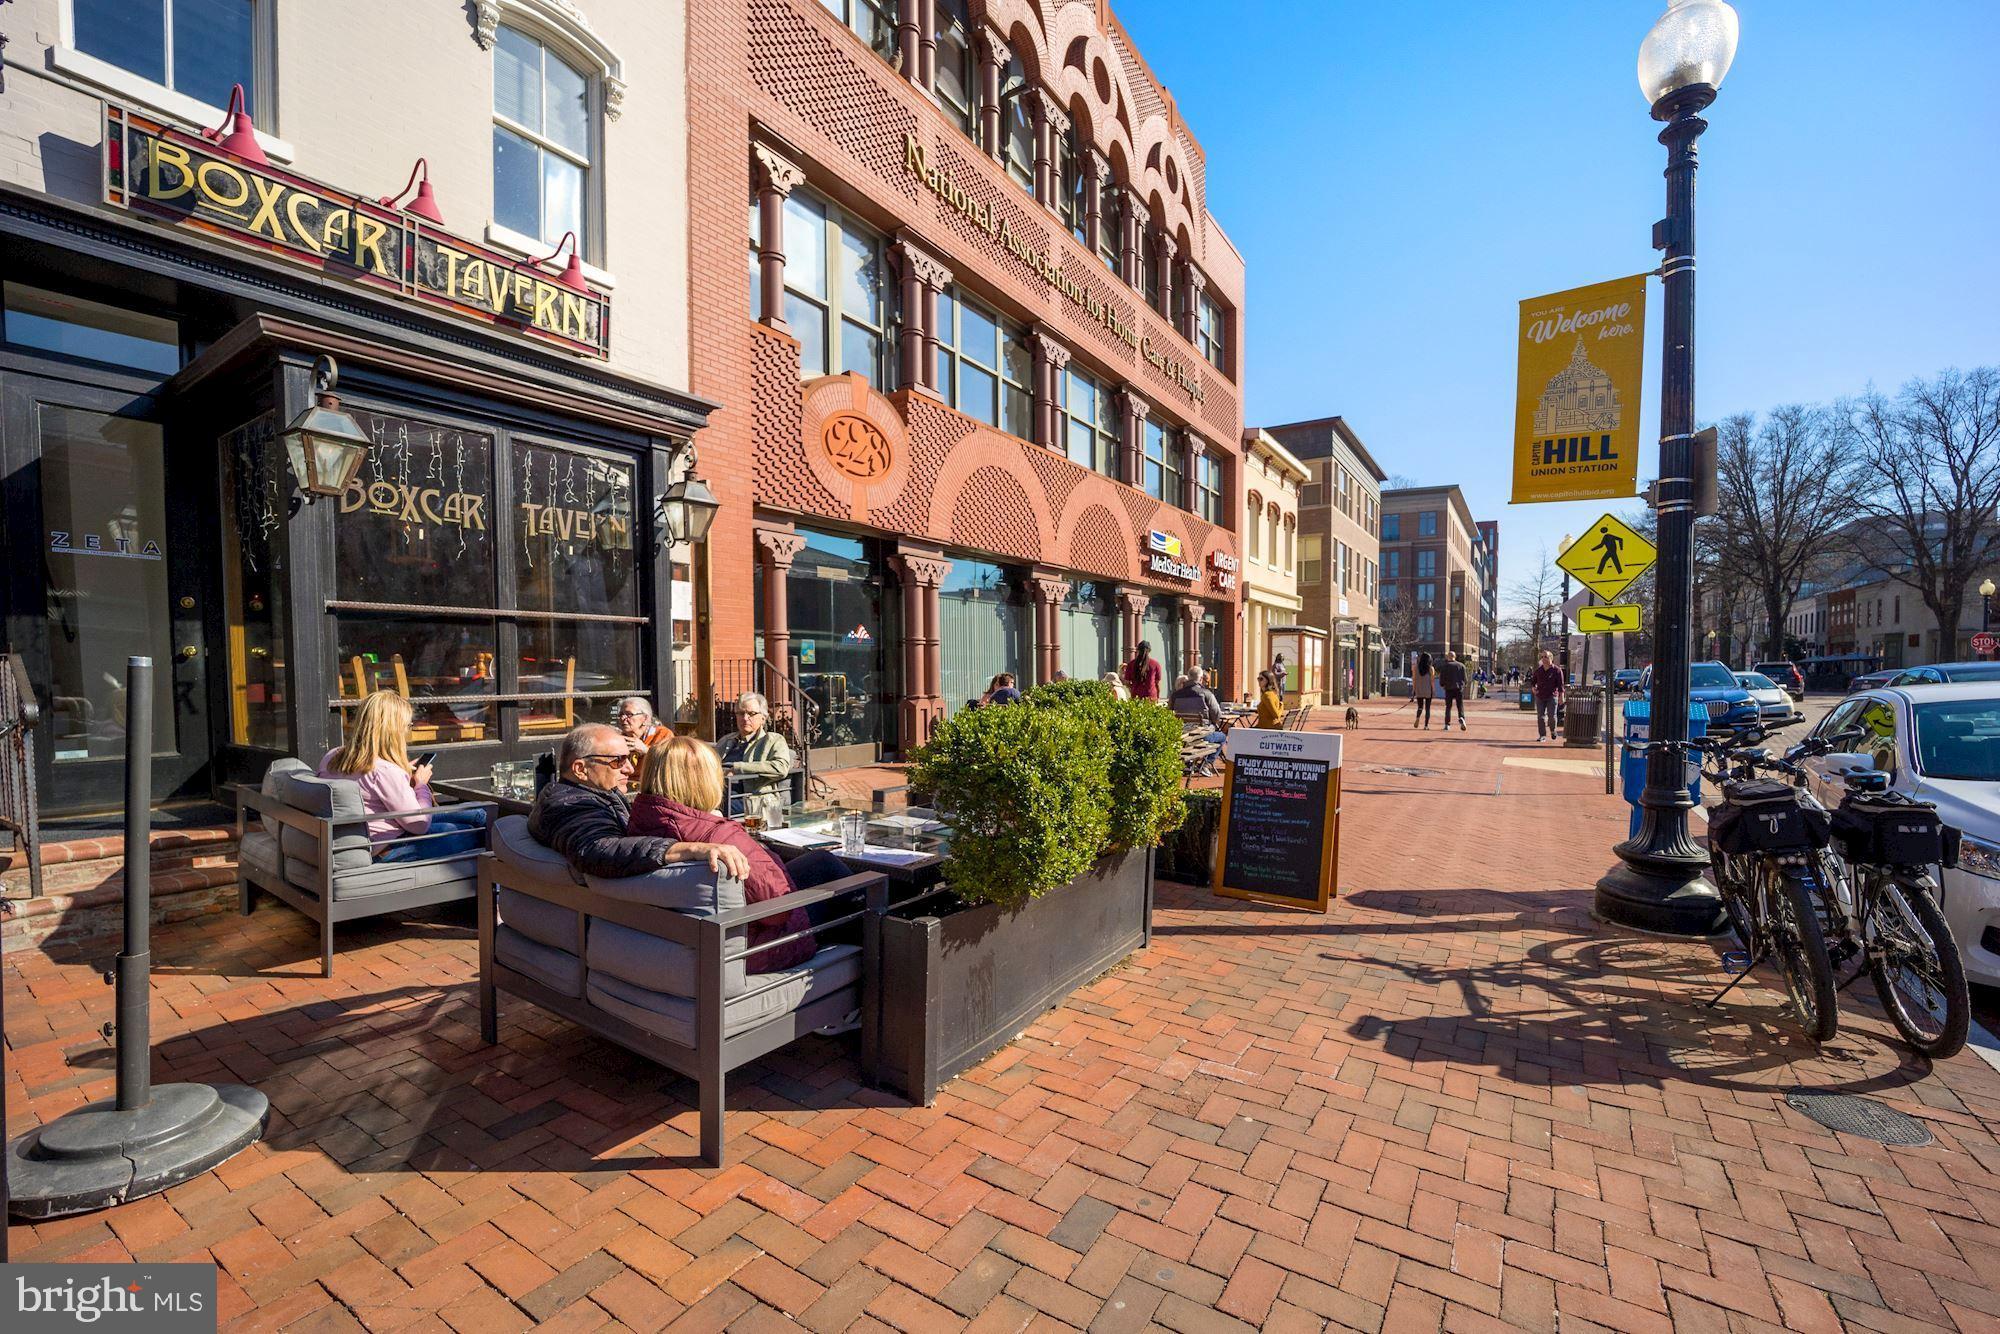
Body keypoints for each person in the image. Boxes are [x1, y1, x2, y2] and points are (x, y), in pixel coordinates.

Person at [629, 737, 839, 972]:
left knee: (819, 862)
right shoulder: (720, 837)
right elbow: (779, 912)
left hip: (679, 942)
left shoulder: (637, 825)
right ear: (704, 781)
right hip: (756, 948)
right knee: (841, 878)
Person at [526, 723, 749, 879]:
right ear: (580, 769)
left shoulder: (582, 795)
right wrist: (691, 848)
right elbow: (598, 849)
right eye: (617, 761)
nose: (630, 768)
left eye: (629, 758)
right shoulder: (570, 805)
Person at [319, 691, 489, 861]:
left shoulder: (332, 756)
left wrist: (402, 771)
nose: (407, 731)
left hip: (370, 834)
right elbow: (420, 824)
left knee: (477, 813)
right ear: (393, 730)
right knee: (471, 831)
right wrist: (420, 784)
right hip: (388, 847)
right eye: (407, 726)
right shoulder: (384, 771)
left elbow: (368, 779)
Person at [718, 691, 794, 824]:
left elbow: (780, 767)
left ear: (763, 718)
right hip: (718, 795)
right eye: (741, 713)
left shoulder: (773, 740)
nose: (745, 718)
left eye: (751, 714)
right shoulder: (726, 741)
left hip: (750, 801)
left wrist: (738, 768)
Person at [1530, 650, 1566, 742]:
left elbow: (1561, 685)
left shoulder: (1557, 670)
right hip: (1540, 696)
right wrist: (1533, 688)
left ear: (1551, 658)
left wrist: (1561, 696)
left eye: (1545, 657)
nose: (1543, 659)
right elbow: (1533, 682)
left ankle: (1553, 730)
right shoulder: (1538, 671)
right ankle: (1542, 735)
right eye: (1542, 657)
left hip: (1552, 696)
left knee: (1552, 716)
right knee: (1540, 716)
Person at [1438, 651, 1469, 731]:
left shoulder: (1445, 666)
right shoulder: (1461, 666)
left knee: (1448, 707)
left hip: (1448, 689)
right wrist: (1463, 685)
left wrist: (1442, 685)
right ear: (1455, 657)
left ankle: (1447, 724)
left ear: (1448, 657)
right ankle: (1461, 717)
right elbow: (1465, 679)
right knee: (1460, 705)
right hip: (1459, 688)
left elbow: (1442, 679)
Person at [1411, 653, 1437, 729]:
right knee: (1428, 708)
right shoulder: (1431, 668)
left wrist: (1414, 689)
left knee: (1420, 706)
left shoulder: (1415, 667)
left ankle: (1418, 717)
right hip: (1428, 689)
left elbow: (1414, 679)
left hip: (1419, 689)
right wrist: (1434, 690)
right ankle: (1426, 725)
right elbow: (1432, 681)